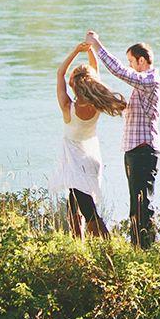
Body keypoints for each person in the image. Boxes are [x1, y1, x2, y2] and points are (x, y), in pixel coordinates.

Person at [85, 30, 160, 249]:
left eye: (132, 61)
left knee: (142, 203)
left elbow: (119, 71)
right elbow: (134, 111)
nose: (129, 66)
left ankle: (145, 248)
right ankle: (137, 246)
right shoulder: (141, 86)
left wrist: (96, 45)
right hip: (134, 150)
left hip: (144, 150)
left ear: (142, 60)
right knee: (135, 202)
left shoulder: (150, 80)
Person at [53, 42, 127, 239]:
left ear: (73, 85)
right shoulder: (97, 104)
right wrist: (91, 51)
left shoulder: (67, 106)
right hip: (91, 159)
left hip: (75, 163)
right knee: (73, 204)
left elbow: (60, 73)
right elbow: (94, 73)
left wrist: (76, 51)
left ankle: (107, 245)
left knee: (88, 211)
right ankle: (77, 245)